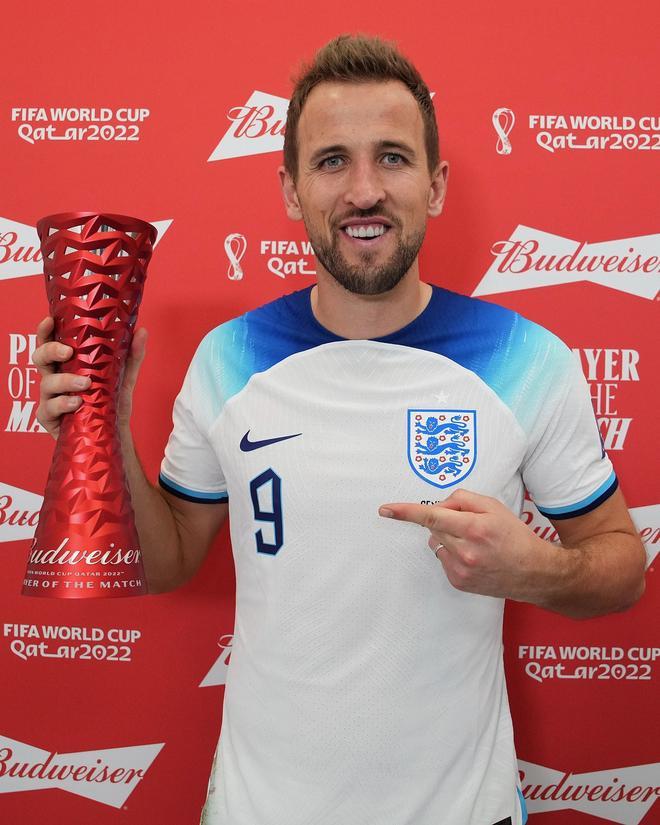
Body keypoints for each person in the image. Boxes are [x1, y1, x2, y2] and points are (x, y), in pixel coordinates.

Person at [34, 34, 645, 825]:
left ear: (437, 184)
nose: (364, 190)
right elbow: (169, 560)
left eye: (392, 157)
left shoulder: (528, 358)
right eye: (331, 162)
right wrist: (103, 427)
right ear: (290, 190)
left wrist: (534, 570)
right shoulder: (229, 360)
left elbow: (623, 569)